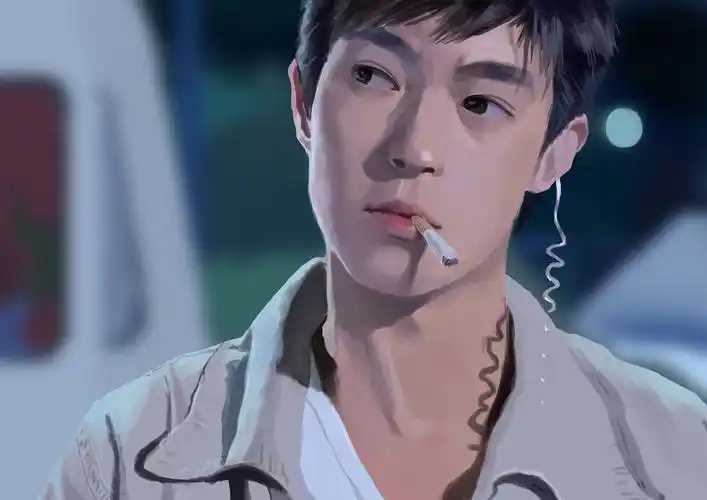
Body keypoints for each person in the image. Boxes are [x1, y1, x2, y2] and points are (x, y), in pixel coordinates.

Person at [41, 1, 707, 499]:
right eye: (372, 75)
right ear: (303, 103)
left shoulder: (671, 459)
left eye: (480, 103)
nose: (413, 147)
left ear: (553, 155)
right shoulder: (130, 458)